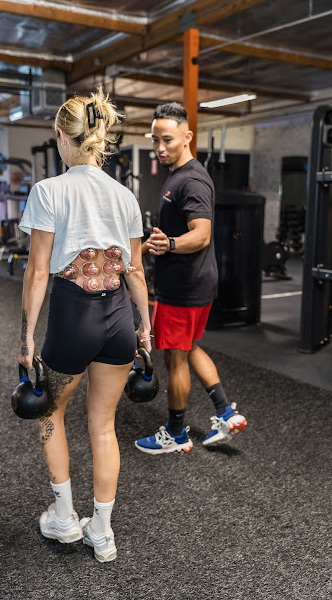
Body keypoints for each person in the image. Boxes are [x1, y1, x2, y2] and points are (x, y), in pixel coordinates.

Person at [18, 89, 151, 563]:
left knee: (50, 412)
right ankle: (103, 532)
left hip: (73, 318)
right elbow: (136, 272)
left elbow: (37, 273)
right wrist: (145, 330)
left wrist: (27, 337)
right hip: (118, 319)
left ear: (61, 136)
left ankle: (64, 519)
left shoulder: (48, 191)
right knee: (104, 425)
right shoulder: (125, 195)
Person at [135, 102, 247, 455]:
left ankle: (176, 434)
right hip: (195, 283)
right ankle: (225, 412)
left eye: (167, 140)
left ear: (187, 137)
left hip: (183, 288)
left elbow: (201, 234)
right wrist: (144, 249)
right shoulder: (180, 174)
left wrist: (169, 244)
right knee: (190, 347)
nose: (160, 147)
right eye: (155, 140)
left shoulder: (192, 180)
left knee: (175, 358)